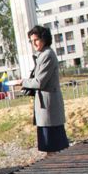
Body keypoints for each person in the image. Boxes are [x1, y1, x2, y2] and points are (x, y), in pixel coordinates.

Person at [20, 25, 69, 155]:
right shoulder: (42, 54)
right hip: (45, 108)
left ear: (44, 39)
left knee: (53, 147)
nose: (34, 43)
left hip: (49, 108)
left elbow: (39, 82)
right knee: (49, 147)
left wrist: (22, 82)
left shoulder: (47, 55)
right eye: (32, 41)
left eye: (36, 40)